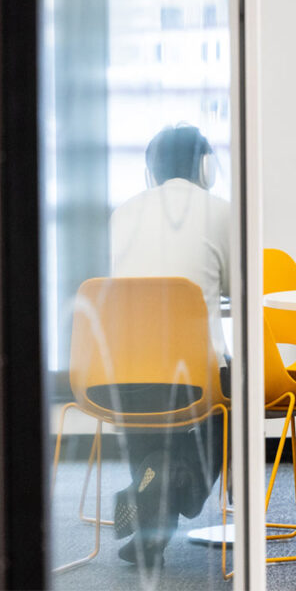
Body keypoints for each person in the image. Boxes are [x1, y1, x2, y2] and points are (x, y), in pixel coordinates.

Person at [108, 124, 231, 569]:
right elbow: (242, 288)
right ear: (207, 169)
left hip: (117, 375)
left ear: (150, 172)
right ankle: (183, 487)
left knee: (149, 410)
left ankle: (152, 509)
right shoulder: (221, 213)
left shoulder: (121, 214)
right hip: (195, 378)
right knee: (234, 397)